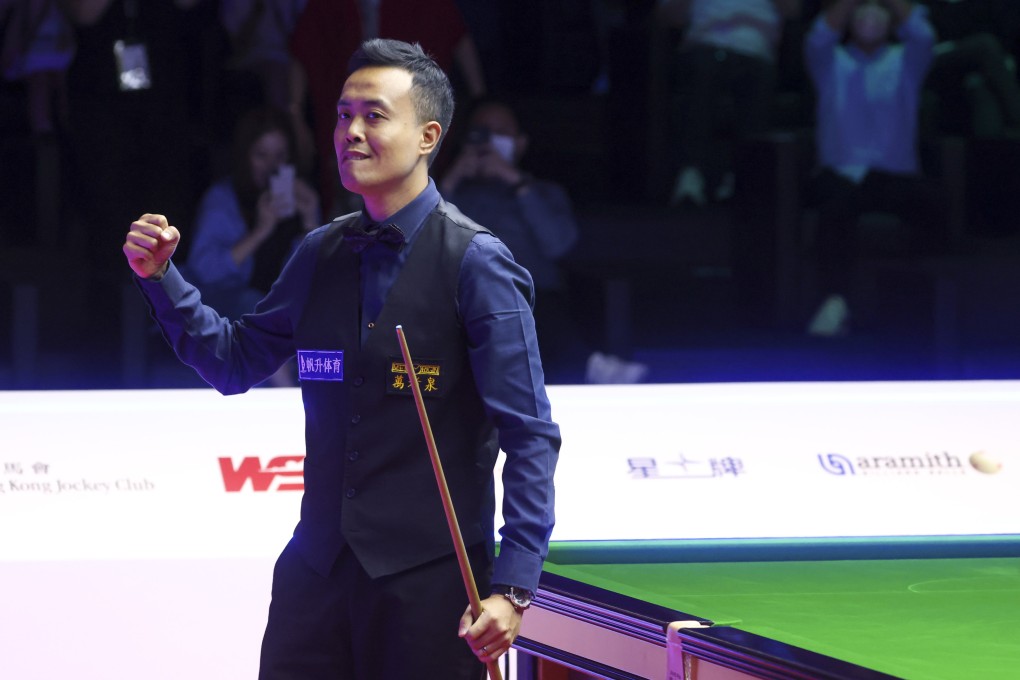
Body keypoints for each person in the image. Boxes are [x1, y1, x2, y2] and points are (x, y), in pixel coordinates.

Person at [122, 38, 559, 679]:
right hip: (315, 577)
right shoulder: (317, 254)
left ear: (428, 136)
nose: (350, 131)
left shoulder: (477, 262)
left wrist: (514, 588)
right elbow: (234, 362)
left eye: (374, 115)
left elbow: (529, 435)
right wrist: (162, 278)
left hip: (432, 586)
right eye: (341, 114)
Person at [441, 97, 649, 384]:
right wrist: (451, 180)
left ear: (520, 143)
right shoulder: (450, 195)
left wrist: (516, 183)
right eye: (482, 131)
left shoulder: (545, 193)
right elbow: (425, 240)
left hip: (534, 295)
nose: (490, 141)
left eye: (501, 132)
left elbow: (559, 244)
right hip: (468, 294)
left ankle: (589, 365)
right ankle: (589, 365)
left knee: (523, 302)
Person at [803, 0, 945, 336]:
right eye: (861, 10)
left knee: (934, 205)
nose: (869, 16)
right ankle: (835, 303)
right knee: (834, 208)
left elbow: (924, 36)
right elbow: (819, 36)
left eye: (877, 9)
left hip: (893, 176)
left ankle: (917, 311)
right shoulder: (829, 61)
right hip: (840, 175)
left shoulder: (906, 61)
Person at [287, 0, 487, 216]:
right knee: (349, 191)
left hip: (407, 111)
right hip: (349, 111)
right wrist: (295, 111)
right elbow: (304, 46)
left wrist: (479, 99)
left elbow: (456, 34)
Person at [183, 106, 320, 385]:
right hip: (222, 299)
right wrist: (260, 230)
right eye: (262, 155)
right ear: (245, 156)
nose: (271, 166)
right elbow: (205, 271)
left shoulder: (299, 198)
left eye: (280, 156)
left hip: (277, 305)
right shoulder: (223, 199)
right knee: (255, 307)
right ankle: (286, 394)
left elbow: (314, 280)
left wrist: (311, 221)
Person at [657, 0, 802, 207]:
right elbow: (667, 16)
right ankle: (690, 174)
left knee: (757, 79)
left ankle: (741, 178)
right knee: (701, 72)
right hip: (704, 44)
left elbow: (793, 10)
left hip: (756, 49)